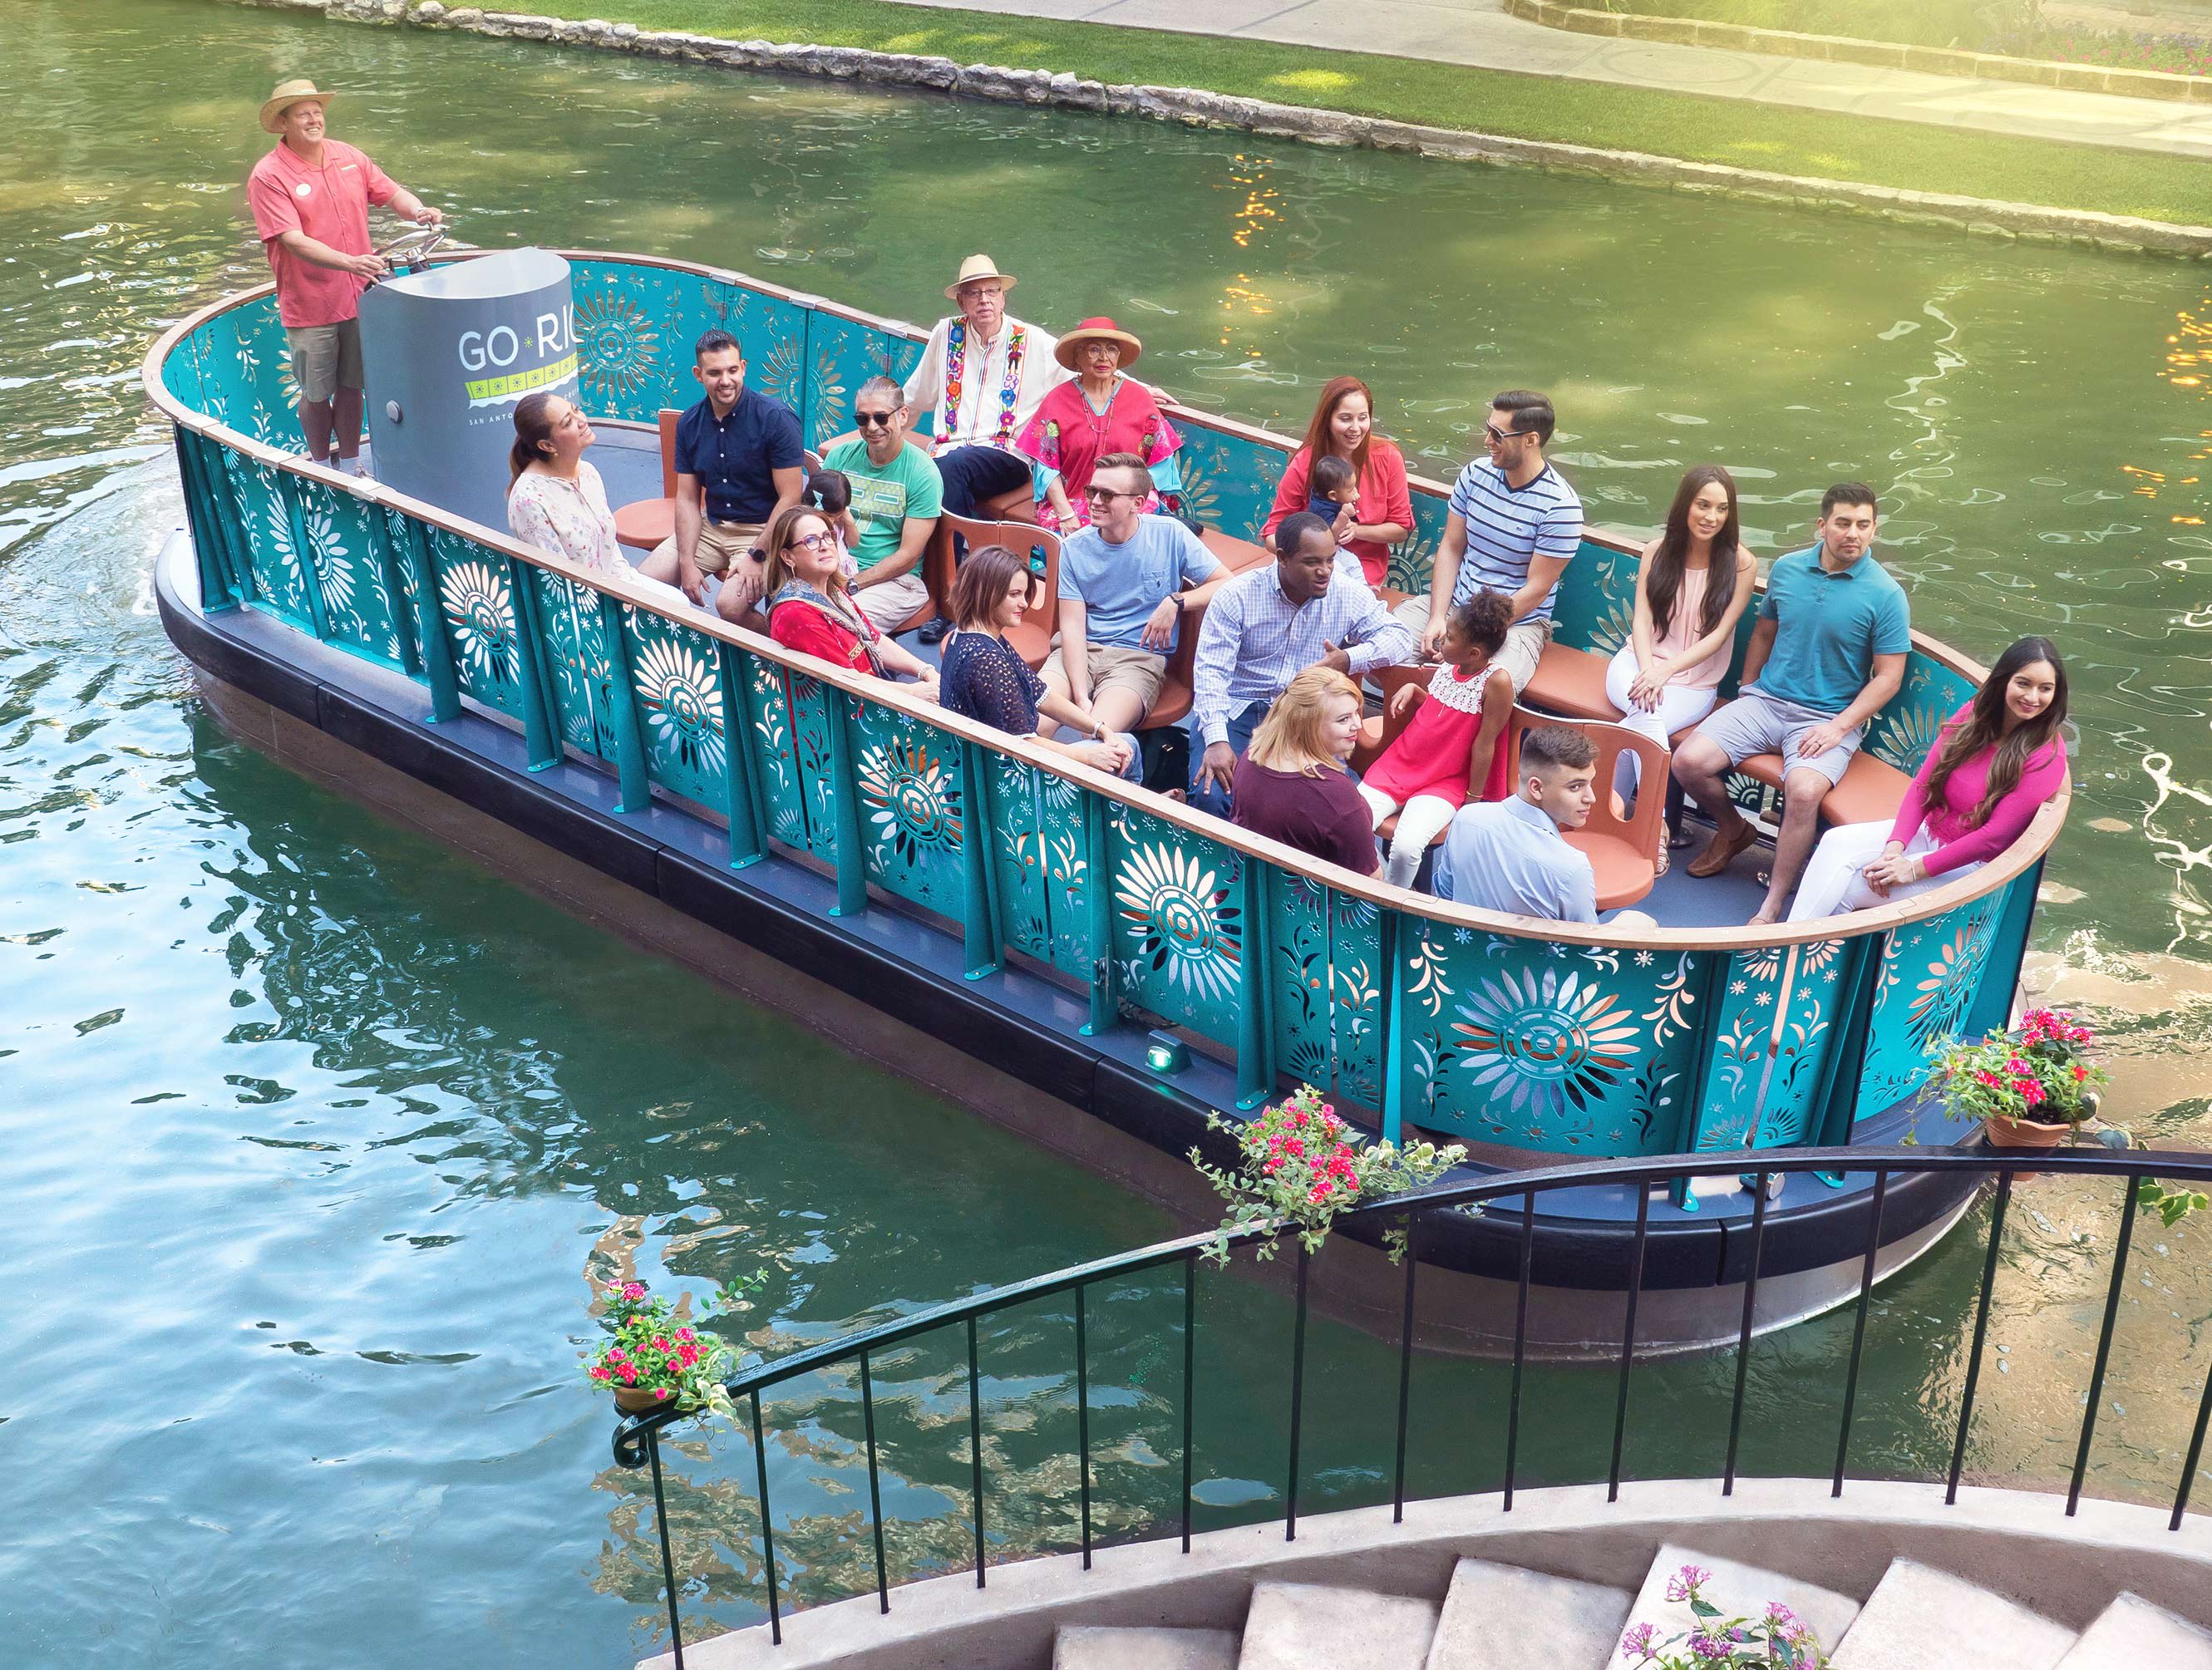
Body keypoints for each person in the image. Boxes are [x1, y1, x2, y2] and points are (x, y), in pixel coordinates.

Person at [1673, 483, 1909, 925]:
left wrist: (1839, 727)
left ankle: (1774, 902)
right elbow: (1764, 630)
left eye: (1863, 525)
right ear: (1822, 526)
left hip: (1826, 719)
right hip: (1765, 702)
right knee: (1688, 761)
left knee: (1802, 791)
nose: (1852, 534)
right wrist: (1747, 688)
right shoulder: (1787, 569)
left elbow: (1889, 677)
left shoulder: (1887, 594)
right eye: (1842, 523)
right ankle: (1734, 828)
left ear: (1875, 530)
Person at [1789, 638, 2068, 921]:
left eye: (2045, 689)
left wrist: (1912, 870)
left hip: (1971, 867)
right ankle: (1788, 939)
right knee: (1836, 842)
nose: (2033, 697)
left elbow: (1993, 840)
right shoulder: (1974, 715)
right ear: (2004, 680)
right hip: (1929, 832)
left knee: (1851, 888)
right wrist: (1893, 849)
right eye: (2023, 683)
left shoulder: (2046, 756)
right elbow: (1923, 786)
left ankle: (1796, 953)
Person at [245, 78, 442, 475]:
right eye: (303, 113)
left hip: (361, 296)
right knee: (317, 392)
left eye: (317, 111)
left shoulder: (348, 156)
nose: (314, 118)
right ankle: (320, 466)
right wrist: (349, 262)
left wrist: (418, 210)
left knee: (353, 386)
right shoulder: (268, 176)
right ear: (283, 123)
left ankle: (351, 465)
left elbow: (391, 193)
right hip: (310, 303)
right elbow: (292, 241)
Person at [1189, 512, 1416, 817]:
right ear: (1282, 558)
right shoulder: (1236, 596)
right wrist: (1216, 740)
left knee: (1336, 809)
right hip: (1238, 710)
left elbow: (1400, 638)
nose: (1325, 571)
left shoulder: (1345, 591)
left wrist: (1348, 658)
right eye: (1312, 563)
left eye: (1330, 560)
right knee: (1214, 798)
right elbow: (1210, 673)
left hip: (1305, 716)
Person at [1397, 390, 1581, 693]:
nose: (1487, 441)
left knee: (1483, 688)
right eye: (1488, 428)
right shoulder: (1474, 475)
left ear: (1531, 440)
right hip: (1456, 604)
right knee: (1384, 644)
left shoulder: (1560, 507)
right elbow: (1452, 547)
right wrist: (1437, 618)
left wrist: (1470, 633)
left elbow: (1536, 589)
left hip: (1515, 623)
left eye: (1498, 435)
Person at [1043, 452, 1230, 742]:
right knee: (1029, 721)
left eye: (1107, 495)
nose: (1094, 502)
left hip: (1136, 659)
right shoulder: (1074, 547)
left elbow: (1225, 582)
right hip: (1080, 652)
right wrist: (1080, 697)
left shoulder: (1170, 534)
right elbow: (1072, 627)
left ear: (1137, 504)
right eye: (1092, 491)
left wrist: (1176, 601)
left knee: (1096, 738)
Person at [1604, 466, 1757, 810]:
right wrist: (1648, 671)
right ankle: (1653, 825)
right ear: (1686, 504)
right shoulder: (1656, 552)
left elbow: (1718, 636)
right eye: (1703, 505)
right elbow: (1641, 620)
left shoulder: (1741, 564)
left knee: (1641, 724)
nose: (1711, 517)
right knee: (1643, 715)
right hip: (1635, 663)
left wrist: (1664, 673)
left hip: (1694, 683)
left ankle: (1616, 814)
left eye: (1722, 509)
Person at [639, 329, 805, 626]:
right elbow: (688, 499)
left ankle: (790, 649)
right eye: (714, 373)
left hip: (763, 529)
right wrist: (687, 562)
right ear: (698, 374)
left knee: (729, 606)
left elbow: (791, 497)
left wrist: (757, 555)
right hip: (712, 525)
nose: (725, 381)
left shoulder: (775, 418)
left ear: (743, 367)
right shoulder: (690, 422)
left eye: (732, 370)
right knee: (643, 584)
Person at [1356, 591, 1516, 888]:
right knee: (1351, 824)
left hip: (1445, 780)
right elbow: (1441, 706)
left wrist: (1474, 799)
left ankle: (1392, 903)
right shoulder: (1450, 664)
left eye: (1451, 636)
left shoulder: (1497, 681)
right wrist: (1414, 692)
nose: (1443, 638)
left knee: (1406, 847)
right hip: (1402, 763)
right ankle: (1374, 887)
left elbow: (1485, 743)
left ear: (1474, 653)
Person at [938, 544, 1139, 781]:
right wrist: (1087, 757)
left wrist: (1099, 728)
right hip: (1000, 788)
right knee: (1128, 745)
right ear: (986, 592)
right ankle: (1125, 816)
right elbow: (1022, 745)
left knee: (1113, 742)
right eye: (1014, 594)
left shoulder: (967, 635)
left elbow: (1041, 693)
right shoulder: (986, 659)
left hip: (970, 772)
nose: (1024, 603)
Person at [1431, 724, 1654, 929]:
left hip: (1458, 959)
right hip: (1534, 972)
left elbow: (1445, 895)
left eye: (1590, 784)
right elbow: (1586, 952)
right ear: (1536, 787)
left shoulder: (1466, 818)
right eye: (1576, 787)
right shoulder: (1573, 868)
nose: (1591, 798)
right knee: (1640, 922)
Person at [903, 254, 1071, 523]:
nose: (984, 300)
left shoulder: (1033, 340)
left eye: (992, 291)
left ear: (1003, 297)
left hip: (1007, 457)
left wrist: (1137, 389)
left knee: (950, 469)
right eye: (974, 293)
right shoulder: (945, 333)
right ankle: (935, 561)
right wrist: (885, 434)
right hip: (947, 455)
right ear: (961, 302)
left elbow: (1080, 366)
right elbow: (914, 397)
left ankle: (943, 563)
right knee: (929, 469)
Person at [505, 392, 686, 605]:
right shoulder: (528, 501)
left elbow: (611, 551)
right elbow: (558, 586)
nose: (582, 421)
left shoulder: (587, 472)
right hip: (583, 609)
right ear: (547, 446)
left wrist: (629, 590)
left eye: (576, 410)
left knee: (679, 603)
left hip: (615, 588)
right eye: (568, 422)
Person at [1015, 317, 1184, 533]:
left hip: (1130, 500)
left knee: (1130, 533)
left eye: (1111, 350)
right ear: (1078, 356)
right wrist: (1065, 513)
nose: (1104, 358)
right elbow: (1045, 468)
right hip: (1074, 501)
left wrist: (1127, 501)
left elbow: (1160, 461)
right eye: (1094, 350)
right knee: (1078, 540)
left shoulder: (1139, 397)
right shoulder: (1057, 400)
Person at [760, 505, 939, 697]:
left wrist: (926, 671)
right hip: (837, 714)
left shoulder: (833, 592)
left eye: (827, 536)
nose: (824, 545)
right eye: (810, 540)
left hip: (863, 696)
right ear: (788, 557)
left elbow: (872, 639)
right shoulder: (795, 613)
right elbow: (846, 681)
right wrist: (914, 692)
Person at [816, 377, 943, 635]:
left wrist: (851, 584)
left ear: (903, 415)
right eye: (862, 419)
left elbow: (908, 556)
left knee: (839, 624)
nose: (872, 427)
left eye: (881, 418)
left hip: (895, 581)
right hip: (837, 566)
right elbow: (815, 519)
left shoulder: (923, 473)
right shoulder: (841, 456)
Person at [1261, 377, 1414, 589]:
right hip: (1308, 566)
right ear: (1328, 419)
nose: (1356, 428)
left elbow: (1400, 528)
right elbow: (1272, 531)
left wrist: (1355, 531)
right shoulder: (1306, 461)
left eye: (1363, 418)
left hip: (1362, 569)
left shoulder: (1388, 457)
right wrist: (1305, 555)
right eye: (1345, 419)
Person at [1231, 668, 1378, 876]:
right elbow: (1371, 881)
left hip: (1244, 900)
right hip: (1311, 907)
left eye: (1357, 713)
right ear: (1310, 725)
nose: (1358, 724)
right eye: (1344, 719)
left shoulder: (1252, 755)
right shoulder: (1335, 792)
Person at [1307, 454, 1359, 533]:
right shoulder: (1322, 510)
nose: (1355, 491)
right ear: (1333, 495)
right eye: (1351, 490)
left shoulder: (1328, 495)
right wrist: (1344, 514)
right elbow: (1331, 534)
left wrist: (1350, 496)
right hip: (1324, 543)